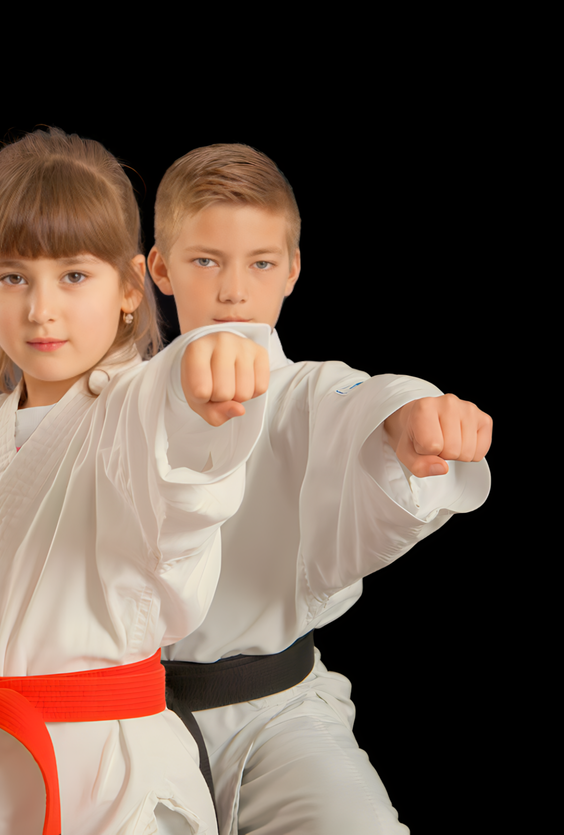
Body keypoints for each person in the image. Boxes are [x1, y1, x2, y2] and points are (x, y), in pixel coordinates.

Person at [0, 127, 271, 835]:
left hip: (105, 787)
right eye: (13, 276)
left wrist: (211, 363)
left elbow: (180, 433)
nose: (41, 308)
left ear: (131, 286)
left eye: (74, 275)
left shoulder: (138, 406)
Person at [147, 143, 492, 834]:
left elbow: (360, 402)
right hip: (124, 722)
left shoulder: (305, 391)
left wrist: (413, 414)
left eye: (261, 263)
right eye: (205, 260)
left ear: (293, 270)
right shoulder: (117, 402)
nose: (233, 291)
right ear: (157, 267)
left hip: (278, 715)